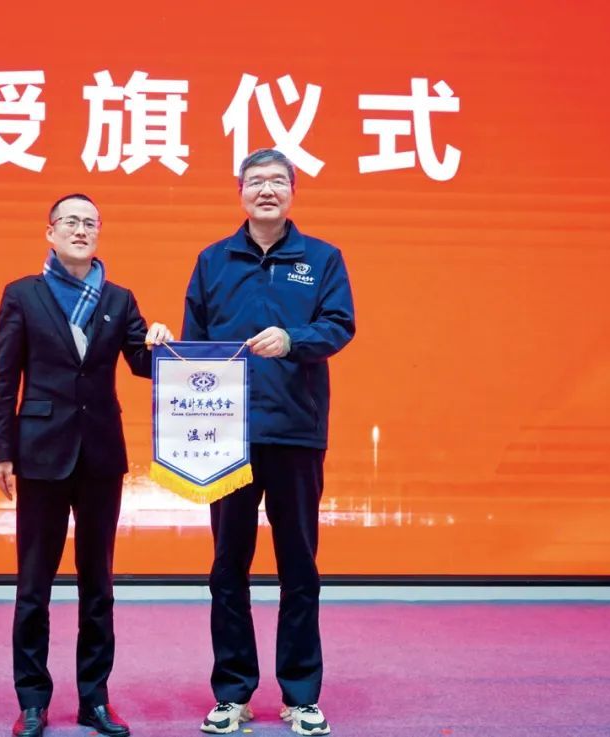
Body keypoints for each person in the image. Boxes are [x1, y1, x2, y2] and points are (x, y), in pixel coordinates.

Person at [182, 149, 356, 736]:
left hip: (295, 432)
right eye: (255, 181)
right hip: (227, 437)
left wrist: (293, 339)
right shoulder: (213, 260)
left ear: (292, 191)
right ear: (240, 191)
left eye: (277, 181)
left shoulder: (322, 258)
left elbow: (340, 325)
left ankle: (301, 695)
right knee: (227, 566)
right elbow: (195, 347)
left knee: (298, 566)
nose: (266, 190)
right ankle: (233, 693)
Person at [0, 193, 172, 737]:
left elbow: (143, 363)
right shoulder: (22, 294)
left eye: (90, 223)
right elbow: (4, 379)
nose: (80, 229)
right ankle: (32, 701)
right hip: (40, 452)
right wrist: (1, 450)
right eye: (70, 221)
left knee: (98, 584)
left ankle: (95, 699)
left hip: (100, 455)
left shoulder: (119, 297)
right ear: (50, 232)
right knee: (34, 584)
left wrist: (159, 342)